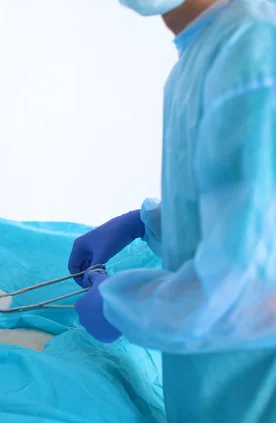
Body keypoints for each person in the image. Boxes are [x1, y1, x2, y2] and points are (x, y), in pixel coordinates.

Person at [68, 0, 276, 421]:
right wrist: (147, 223)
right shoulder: (204, 51)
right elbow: (241, 204)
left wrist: (121, 306)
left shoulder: (253, 47)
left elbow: (240, 287)